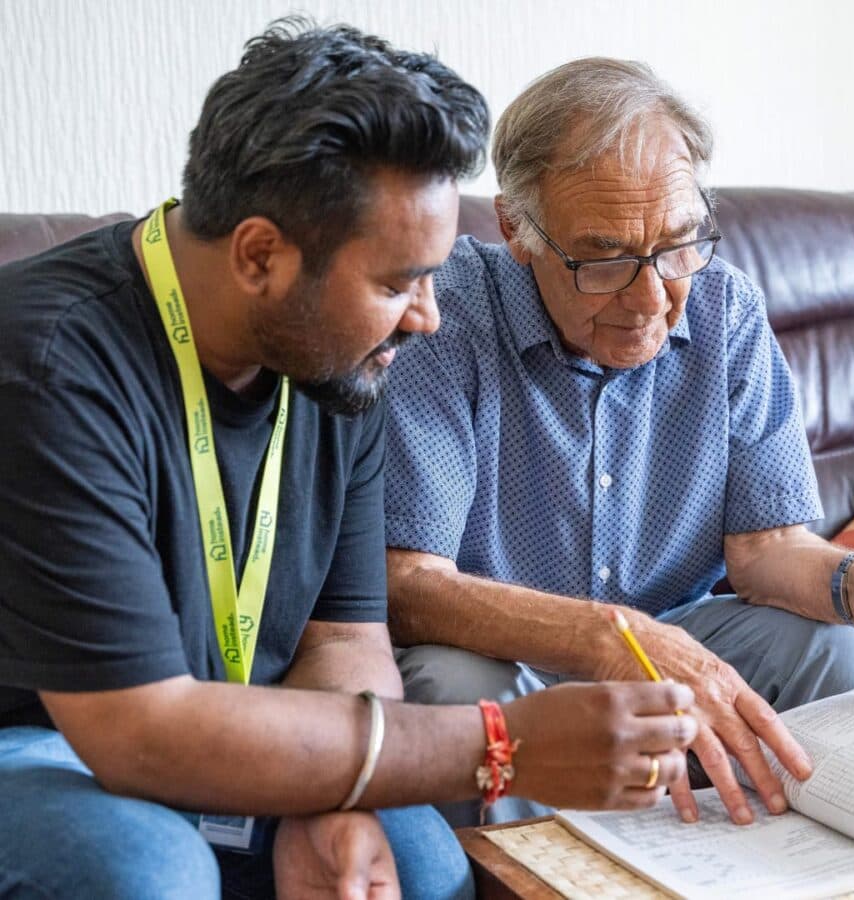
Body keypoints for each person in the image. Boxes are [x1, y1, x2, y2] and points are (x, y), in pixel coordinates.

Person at [0, 28, 701, 900]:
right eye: (398, 282)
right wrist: (504, 743)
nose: (427, 318)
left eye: (435, 277)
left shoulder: (334, 357)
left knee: (421, 862)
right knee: (146, 872)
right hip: (51, 739)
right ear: (261, 256)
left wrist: (333, 794)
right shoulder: (50, 362)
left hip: (240, 728)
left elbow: (345, 640)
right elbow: (139, 729)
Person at [385, 56, 854, 828]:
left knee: (846, 649)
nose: (651, 299)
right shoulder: (447, 317)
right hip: (511, 655)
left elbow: (767, 549)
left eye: (677, 245)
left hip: (682, 635)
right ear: (516, 229)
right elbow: (411, 585)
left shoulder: (726, 307)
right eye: (603, 259)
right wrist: (618, 639)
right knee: (452, 681)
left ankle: (780, 869)